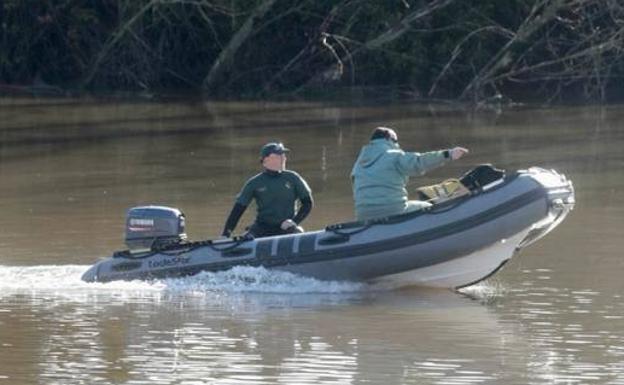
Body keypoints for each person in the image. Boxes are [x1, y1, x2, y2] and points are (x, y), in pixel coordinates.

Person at [351, 127, 468, 221]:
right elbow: (419, 162)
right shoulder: (393, 155)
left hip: (363, 215)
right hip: (393, 209)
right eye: (396, 141)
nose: (398, 145)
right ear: (389, 139)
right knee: (428, 207)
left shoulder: (358, 164)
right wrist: (447, 154)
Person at [222, 142, 314, 238]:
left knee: (298, 232)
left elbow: (308, 203)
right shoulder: (254, 183)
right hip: (261, 228)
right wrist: (226, 234)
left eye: (284, 155)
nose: (283, 158)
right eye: (279, 155)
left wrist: (294, 221)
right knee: (246, 238)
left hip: (286, 227)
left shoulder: (293, 178)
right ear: (266, 159)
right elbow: (238, 210)